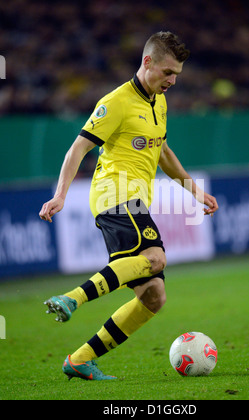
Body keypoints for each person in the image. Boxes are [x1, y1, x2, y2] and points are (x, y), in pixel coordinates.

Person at [39, 31, 219, 381]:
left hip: (135, 199)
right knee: (155, 258)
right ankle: (72, 298)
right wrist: (61, 194)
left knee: (154, 296)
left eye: (177, 75)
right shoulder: (117, 102)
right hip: (114, 194)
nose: (172, 80)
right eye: (167, 72)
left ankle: (79, 359)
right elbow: (77, 148)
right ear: (147, 61)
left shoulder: (159, 102)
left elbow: (162, 152)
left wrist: (193, 190)